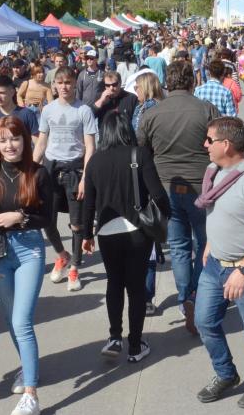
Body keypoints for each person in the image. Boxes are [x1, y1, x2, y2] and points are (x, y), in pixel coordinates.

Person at [193, 116, 244, 409]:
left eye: (209, 140)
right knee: (204, 321)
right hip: (215, 264)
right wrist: (209, 244)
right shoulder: (215, 172)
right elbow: (219, 214)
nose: (205, 145)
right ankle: (225, 374)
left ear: (226, 145)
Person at [0, 115, 54, 415]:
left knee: (22, 321)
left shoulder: (39, 174)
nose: (10, 145)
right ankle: (27, 367)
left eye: (15, 138)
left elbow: (47, 218)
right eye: (4, 140)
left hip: (29, 251)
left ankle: (31, 396)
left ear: (25, 138)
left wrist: (19, 217)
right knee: (11, 319)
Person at [138, 61, 220, 334]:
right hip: (202, 185)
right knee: (205, 244)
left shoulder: (151, 114)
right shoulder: (205, 109)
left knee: (179, 246)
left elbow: (142, 153)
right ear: (192, 82)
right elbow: (220, 144)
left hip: (165, 187)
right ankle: (198, 296)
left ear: (166, 83)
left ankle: (187, 297)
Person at [81, 112, 167, 363]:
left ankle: (115, 337)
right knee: (136, 287)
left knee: (114, 283)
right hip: (137, 230)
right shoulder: (139, 155)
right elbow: (158, 194)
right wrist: (165, 217)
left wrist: (87, 234)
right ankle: (135, 344)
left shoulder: (94, 162)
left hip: (107, 232)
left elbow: (89, 203)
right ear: (127, 129)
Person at [33, 67, 97, 291]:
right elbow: (41, 142)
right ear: (54, 85)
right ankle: (62, 255)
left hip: (75, 170)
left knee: (76, 224)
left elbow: (90, 147)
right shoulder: (48, 110)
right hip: (51, 169)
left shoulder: (84, 111)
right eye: (60, 83)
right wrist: (31, 171)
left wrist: (85, 178)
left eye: (68, 82)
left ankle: (74, 269)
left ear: (74, 84)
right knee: (47, 221)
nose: (64, 87)